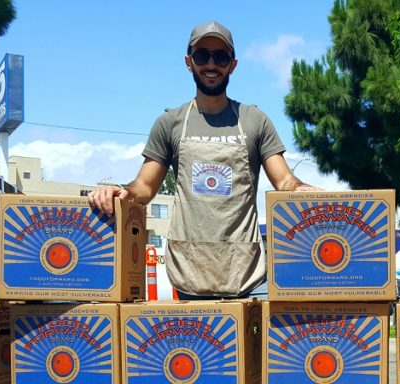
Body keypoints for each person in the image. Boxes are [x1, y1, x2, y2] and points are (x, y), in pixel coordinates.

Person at [88, 21, 318, 299]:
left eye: (221, 57)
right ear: (189, 62)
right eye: (202, 55)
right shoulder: (169, 123)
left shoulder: (254, 120)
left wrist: (301, 189)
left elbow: (284, 181)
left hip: (245, 273)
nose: (211, 64)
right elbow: (145, 188)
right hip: (189, 270)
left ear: (232, 65)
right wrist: (121, 191)